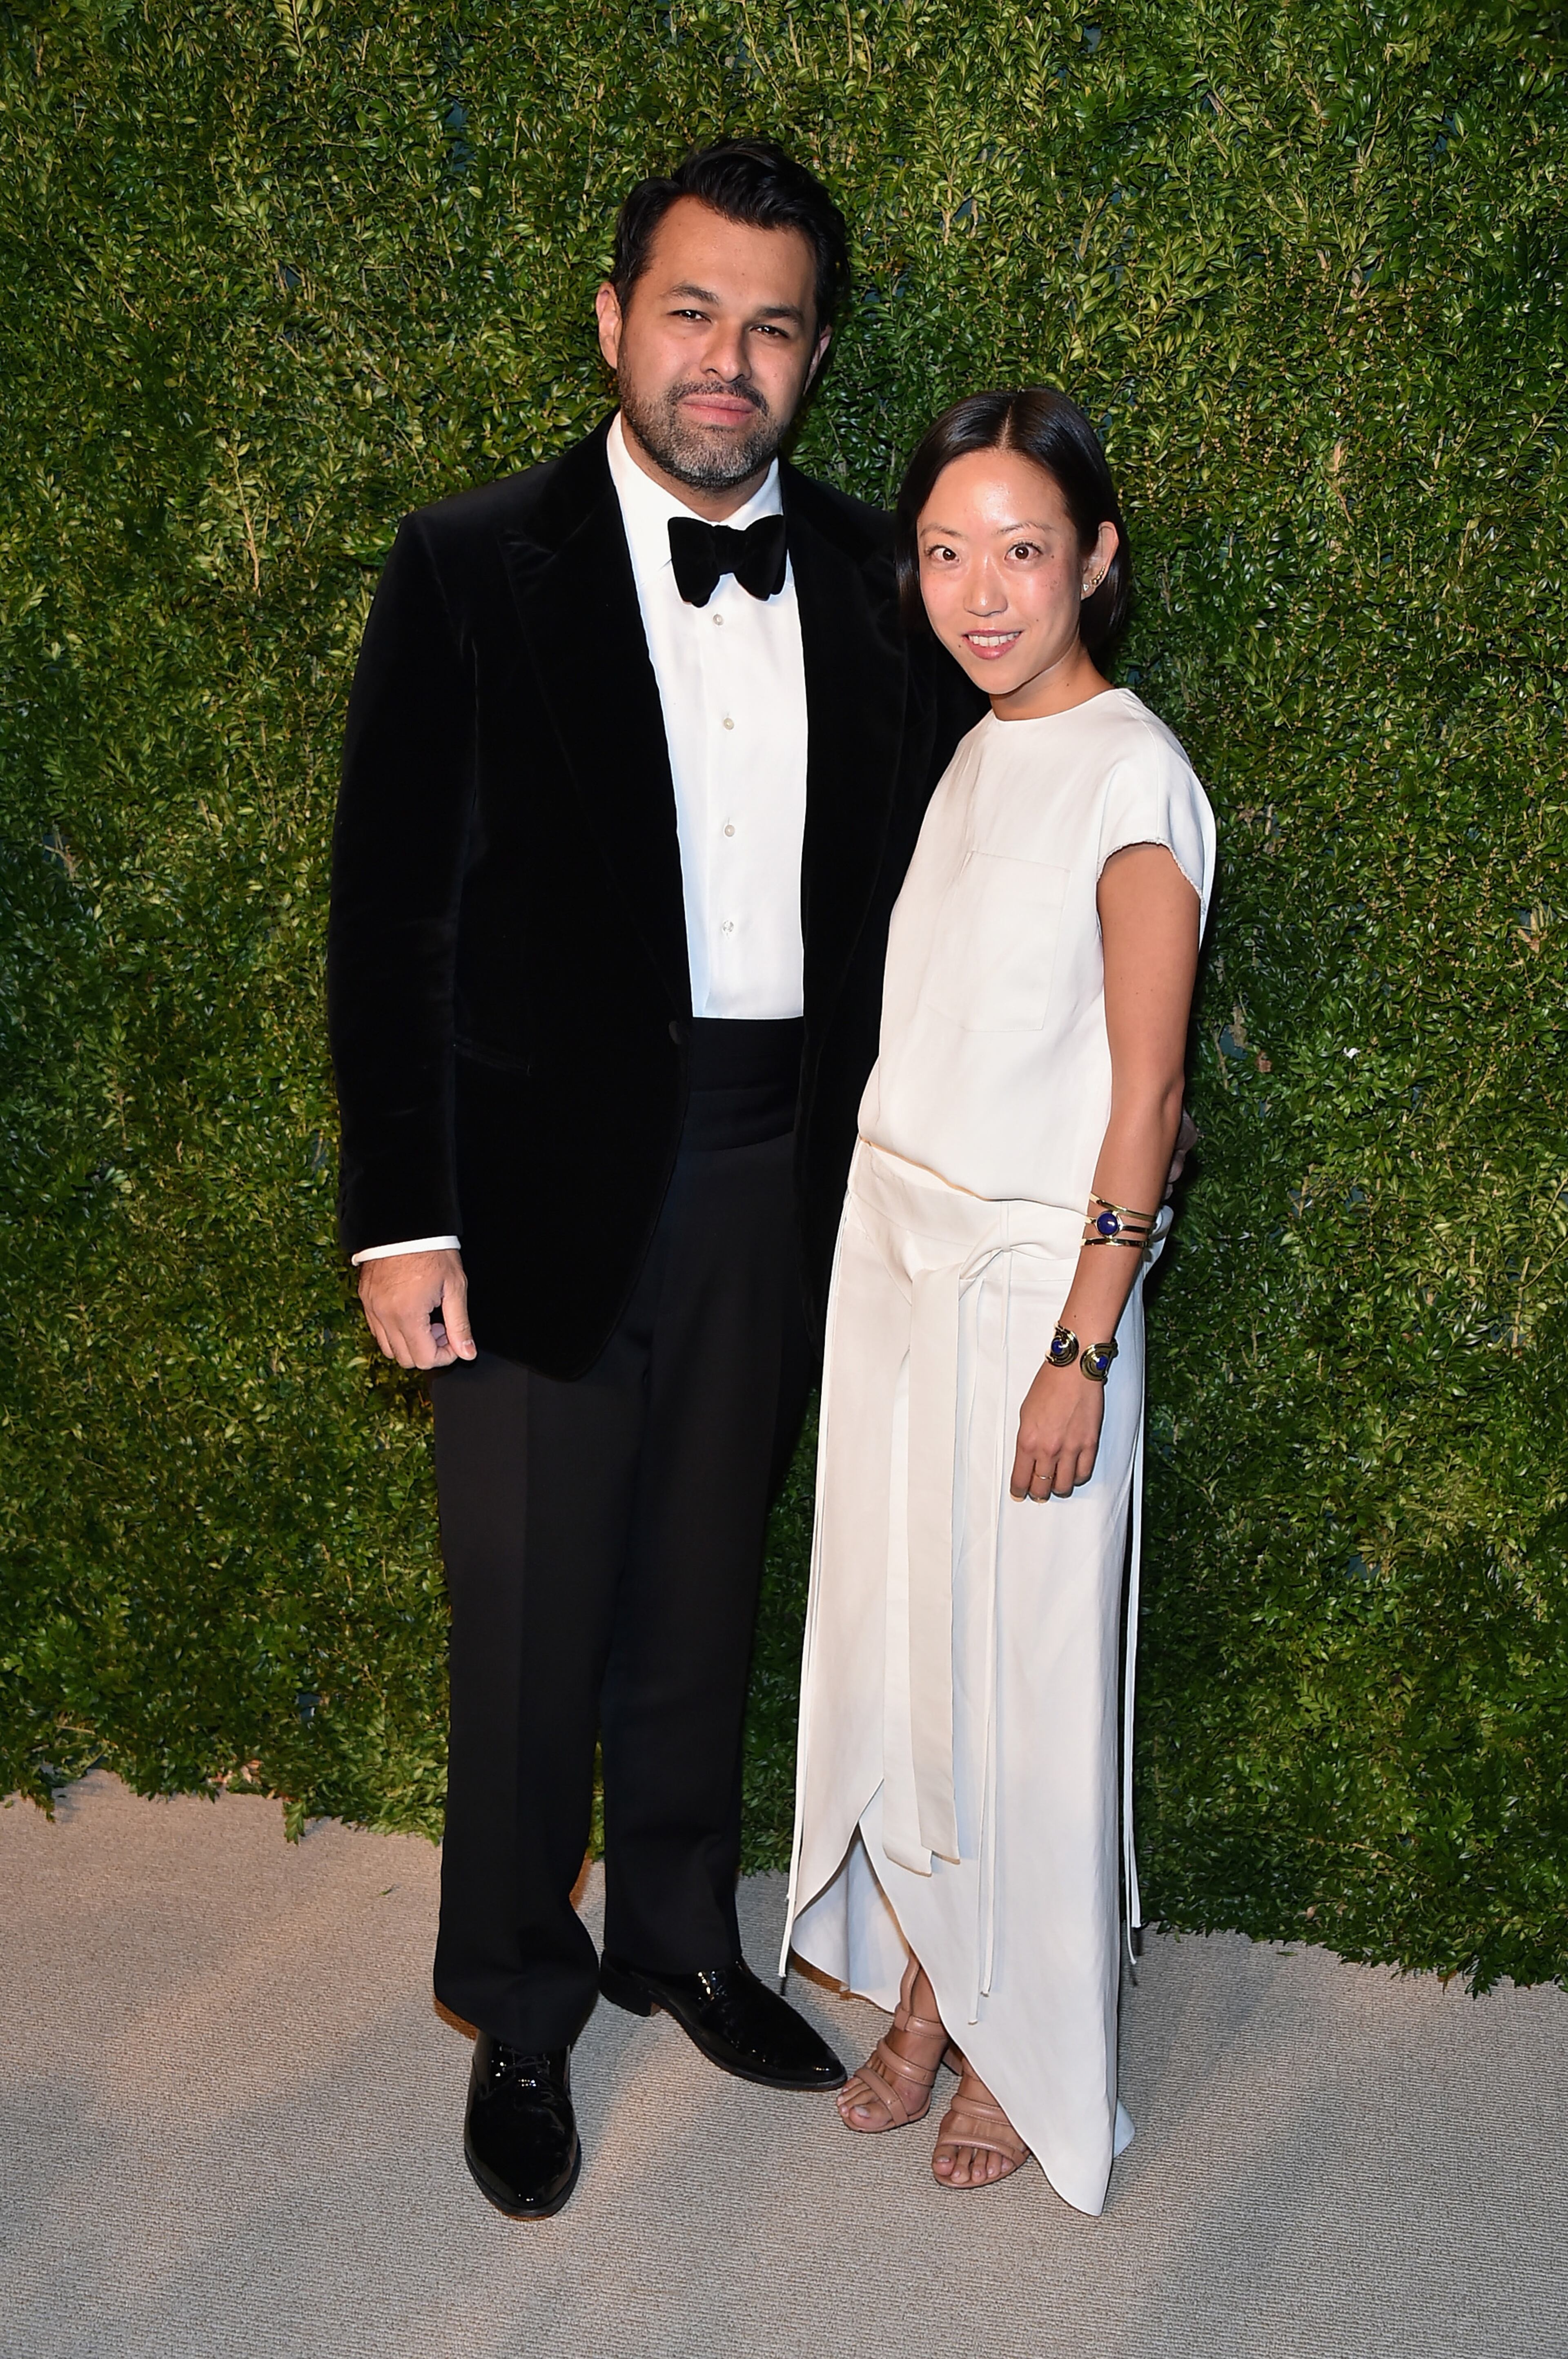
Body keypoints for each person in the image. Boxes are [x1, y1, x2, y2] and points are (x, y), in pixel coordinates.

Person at [327, 140, 984, 2218]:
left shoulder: (889, 575)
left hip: (791, 1164)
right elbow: (391, 918)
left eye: (773, 326)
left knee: (708, 1572)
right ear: (615, 320)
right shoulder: (467, 559)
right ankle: (523, 1999)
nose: (729, 361)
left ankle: (681, 1927)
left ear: (813, 357)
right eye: (691, 313)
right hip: (526, 1181)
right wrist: (400, 1216)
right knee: (525, 1610)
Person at [782, 388, 1216, 2215]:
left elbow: (1150, 1094)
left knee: (1016, 1677)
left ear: (1097, 559)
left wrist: (1081, 1345)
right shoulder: (975, 748)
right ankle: (936, 1980)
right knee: (905, 1648)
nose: (980, 590)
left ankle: (1020, 2030)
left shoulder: (1133, 775)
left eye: (1023, 549)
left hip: (1034, 1298)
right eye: (947, 552)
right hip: (895, 1275)